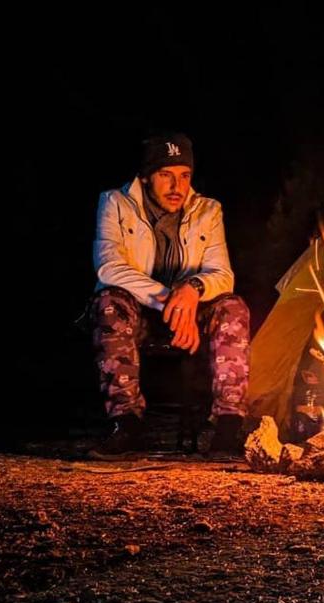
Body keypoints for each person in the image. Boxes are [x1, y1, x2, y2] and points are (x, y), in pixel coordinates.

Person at [89, 132, 250, 457]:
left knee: (233, 307)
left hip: (192, 313)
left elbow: (222, 275)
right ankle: (126, 424)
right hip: (142, 313)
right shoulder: (115, 203)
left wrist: (192, 291)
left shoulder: (208, 210)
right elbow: (109, 268)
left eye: (184, 176)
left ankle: (229, 427)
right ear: (147, 176)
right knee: (109, 302)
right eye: (166, 175)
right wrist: (174, 302)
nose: (177, 186)